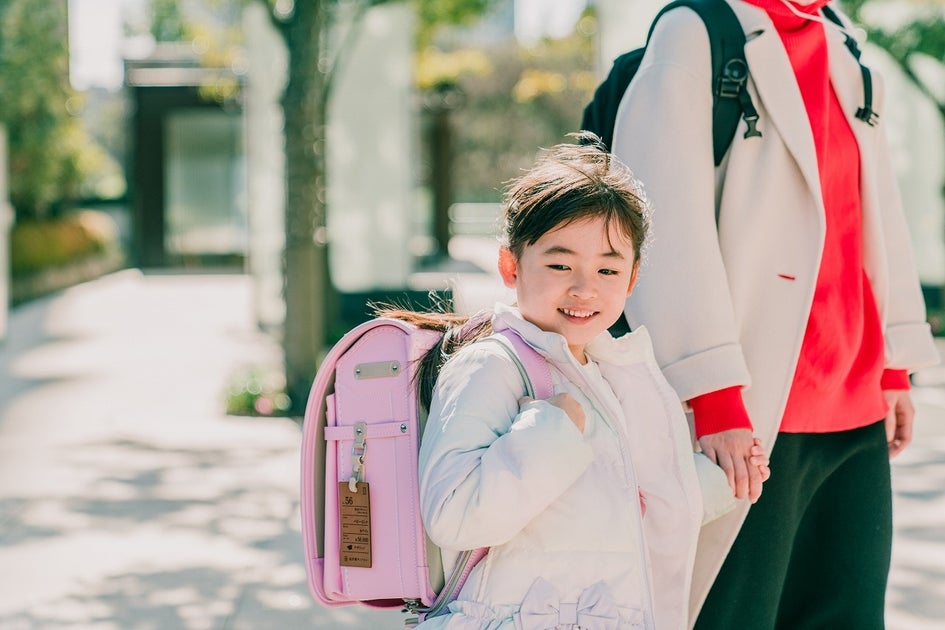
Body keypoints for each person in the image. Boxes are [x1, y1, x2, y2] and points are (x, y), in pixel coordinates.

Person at [610, 0, 941, 628]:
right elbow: (661, 223)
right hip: (751, 408)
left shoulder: (840, 37)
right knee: (733, 615)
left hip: (857, 402)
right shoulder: (697, 32)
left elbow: (873, 206)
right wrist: (711, 392)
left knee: (848, 616)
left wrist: (894, 366)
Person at [406, 135, 768, 629]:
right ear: (510, 265)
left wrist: (722, 477)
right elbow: (454, 517)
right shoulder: (490, 365)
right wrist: (550, 430)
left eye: (607, 268)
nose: (584, 287)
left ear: (632, 279)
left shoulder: (609, 371)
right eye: (559, 265)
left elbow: (626, 506)